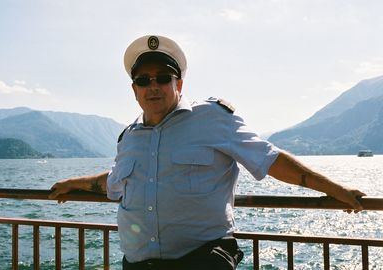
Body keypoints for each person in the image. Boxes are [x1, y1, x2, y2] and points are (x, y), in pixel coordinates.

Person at [49, 35, 366, 270]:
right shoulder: (129, 137)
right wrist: (76, 182)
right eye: (143, 80)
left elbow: (270, 160)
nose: (153, 86)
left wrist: (335, 189)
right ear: (134, 89)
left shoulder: (213, 118)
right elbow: (117, 181)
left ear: (180, 83)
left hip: (201, 260)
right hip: (138, 264)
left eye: (163, 78)